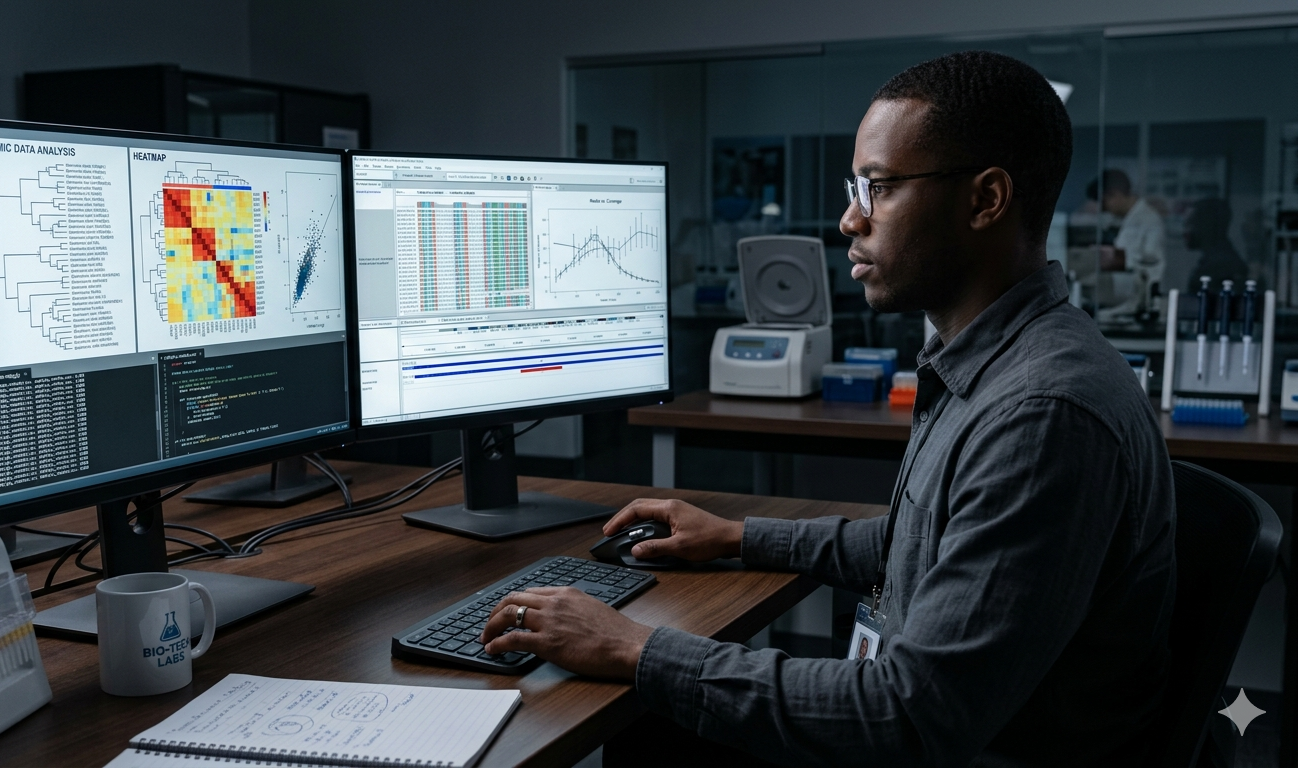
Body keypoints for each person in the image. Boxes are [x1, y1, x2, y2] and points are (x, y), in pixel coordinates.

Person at [479, 51, 1174, 765]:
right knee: (665, 721)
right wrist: (736, 536)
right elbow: (920, 542)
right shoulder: (996, 360)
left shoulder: (1040, 412)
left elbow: (909, 717)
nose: (849, 219)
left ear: (985, 200)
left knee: (655, 722)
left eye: (878, 187)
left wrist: (632, 646)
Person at [1087, 169, 1167, 314]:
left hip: (1141, 299)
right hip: (1123, 295)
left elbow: (1152, 263)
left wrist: (1112, 258)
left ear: (1115, 194)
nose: (1104, 209)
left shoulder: (1149, 220)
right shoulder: (1124, 219)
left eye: (1105, 202)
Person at [1185, 198, 1250, 293]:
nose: (1185, 231)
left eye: (1191, 223)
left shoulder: (1224, 265)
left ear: (1207, 225)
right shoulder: (1214, 260)